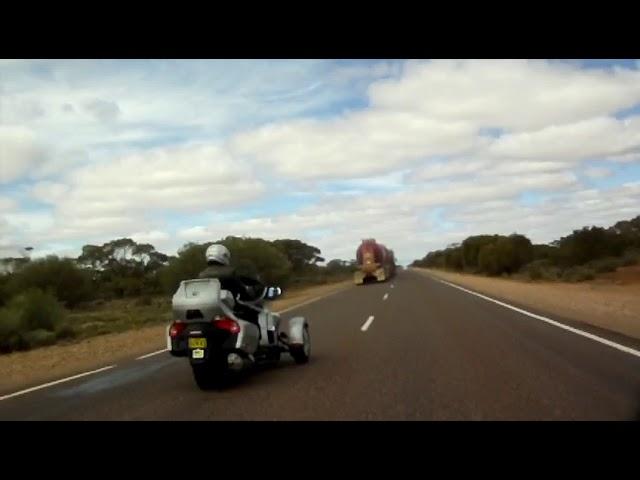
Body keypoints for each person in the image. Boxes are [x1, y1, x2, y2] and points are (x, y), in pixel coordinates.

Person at [198, 244, 266, 324]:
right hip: (232, 309)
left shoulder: (201, 275)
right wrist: (250, 296)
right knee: (255, 312)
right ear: (224, 256)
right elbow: (242, 292)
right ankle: (257, 336)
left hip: (211, 310)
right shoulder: (230, 272)